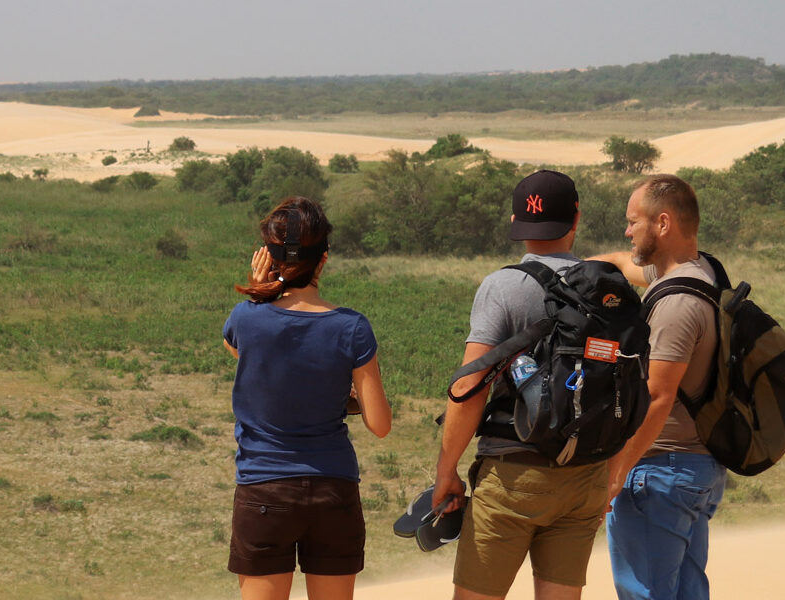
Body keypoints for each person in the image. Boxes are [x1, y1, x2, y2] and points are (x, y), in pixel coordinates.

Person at [431, 170, 611, 600]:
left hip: (514, 474)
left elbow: (470, 387)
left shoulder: (504, 286)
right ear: (576, 218)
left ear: (516, 223)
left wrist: (446, 471)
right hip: (586, 475)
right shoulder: (606, 287)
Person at [222, 196, 393, 600]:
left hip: (264, 490)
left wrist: (264, 289)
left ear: (269, 258)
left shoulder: (246, 318)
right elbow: (380, 425)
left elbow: (241, 349)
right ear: (324, 259)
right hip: (332, 491)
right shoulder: (352, 327)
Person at [591, 174, 725, 600]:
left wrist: (617, 471)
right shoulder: (699, 271)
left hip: (658, 473)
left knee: (644, 594)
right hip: (693, 467)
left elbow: (657, 397)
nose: (627, 231)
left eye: (634, 222)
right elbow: (619, 260)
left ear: (662, 224)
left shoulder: (675, 305)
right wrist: (565, 271)